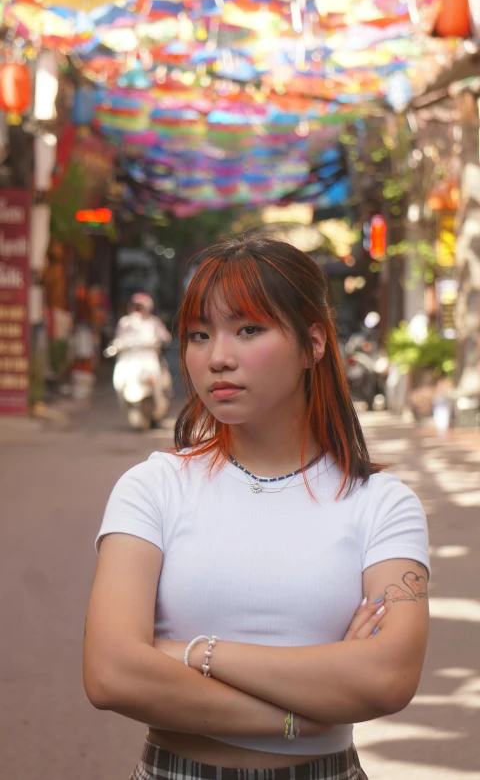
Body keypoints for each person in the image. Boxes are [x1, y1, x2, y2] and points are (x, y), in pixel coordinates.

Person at [84, 236, 430, 780]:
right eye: (199, 335)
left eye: (249, 330)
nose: (218, 357)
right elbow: (111, 674)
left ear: (313, 343)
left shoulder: (383, 505)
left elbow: (387, 679)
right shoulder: (153, 488)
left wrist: (192, 651)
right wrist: (302, 718)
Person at [112, 292, 172, 420]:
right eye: (136, 306)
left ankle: (160, 404)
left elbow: (166, 337)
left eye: (141, 307)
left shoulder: (154, 322)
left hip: (149, 357)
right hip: (128, 358)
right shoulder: (125, 322)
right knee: (118, 381)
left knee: (158, 378)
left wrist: (160, 342)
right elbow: (117, 339)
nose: (138, 310)